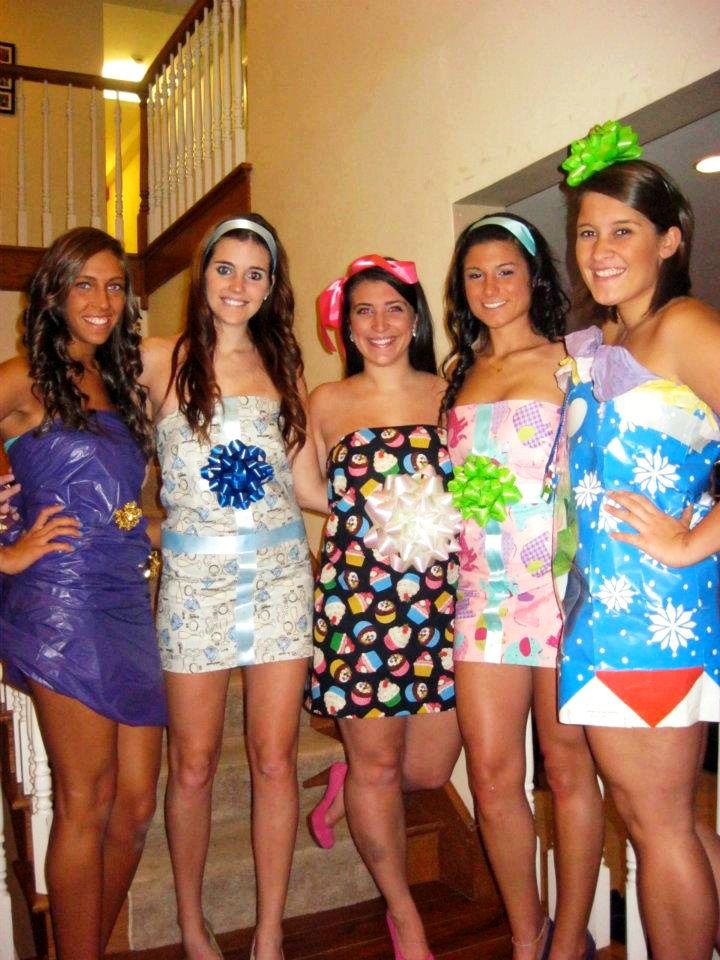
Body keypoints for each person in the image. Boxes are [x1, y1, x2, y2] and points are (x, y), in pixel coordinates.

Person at [140, 215, 326, 960]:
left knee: (274, 759)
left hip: (281, 579)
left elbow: (310, 485)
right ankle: (192, 923)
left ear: (271, 285)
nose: (238, 285)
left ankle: (271, 932)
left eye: (255, 273)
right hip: (192, 586)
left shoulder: (286, 370)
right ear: (202, 274)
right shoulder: (159, 360)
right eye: (225, 268)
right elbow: (79, 418)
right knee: (190, 764)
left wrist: (397, 504)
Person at [556, 120, 720, 960]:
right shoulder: (609, 343)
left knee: (657, 827)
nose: (600, 247)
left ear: (669, 239)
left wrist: (696, 543)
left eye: (622, 229)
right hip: (603, 610)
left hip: (655, 610)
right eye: (587, 231)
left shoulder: (687, 324)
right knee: (660, 822)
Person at [0, 227, 166, 960]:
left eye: (115, 285)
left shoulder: (120, 382)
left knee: (134, 809)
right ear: (54, 294)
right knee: (86, 802)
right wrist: (7, 554)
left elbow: (125, 506)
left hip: (128, 599)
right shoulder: (19, 379)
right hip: (59, 607)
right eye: (84, 284)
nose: (102, 300)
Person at [442, 214, 603, 960]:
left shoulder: (577, 357)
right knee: (493, 773)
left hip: (560, 585)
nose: (490, 287)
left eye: (505, 270)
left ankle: (569, 939)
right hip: (483, 596)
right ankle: (524, 933)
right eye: (475, 274)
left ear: (534, 276)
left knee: (569, 770)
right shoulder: (458, 375)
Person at [306, 255, 461, 960]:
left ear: (415, 318)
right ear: (345, 322)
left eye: (394, 308)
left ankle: (346, 780)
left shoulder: (451, 389)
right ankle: (405, 916)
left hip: (443, 604)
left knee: (428, 771)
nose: (379, 325)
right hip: (359, 607)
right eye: (363, 310)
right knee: (378, 768)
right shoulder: (325, 403)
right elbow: (313, 493)